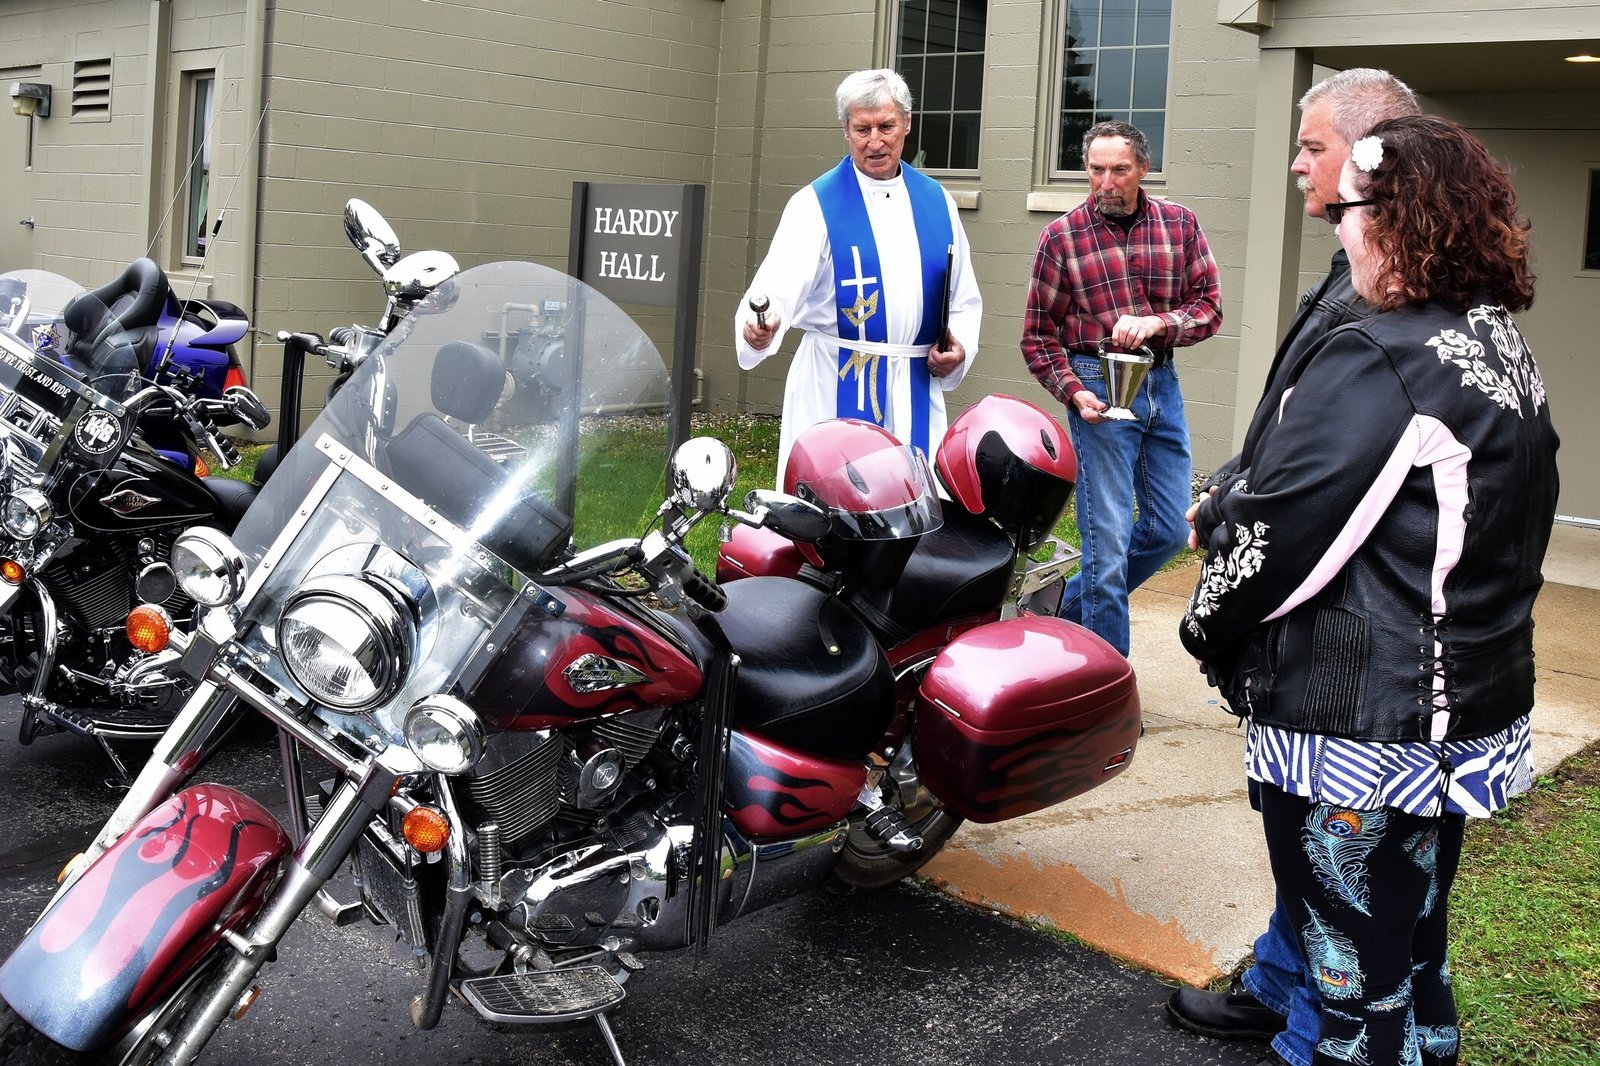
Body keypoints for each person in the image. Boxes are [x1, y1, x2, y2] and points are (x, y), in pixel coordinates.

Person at [1179, 115, 1558, 1066]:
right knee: (1414, 955)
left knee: (1355, 989)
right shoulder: (1494, 339)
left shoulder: (1384, 351)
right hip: (1457, 705)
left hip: (1364, 722)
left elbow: (1277, 542)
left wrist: (1202, 622)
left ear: (1399, 219)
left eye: (1347, 211)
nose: (1339, 233)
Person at [1165, 68, 1420, 1066]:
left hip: (1350, 619)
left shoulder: (1404, 280)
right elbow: (1295, 415)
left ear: (1367, 156)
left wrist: (1242, 523)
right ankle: (1280, 982)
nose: (1294, 163)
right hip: (1298, 604)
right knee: (1285, 808)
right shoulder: (1346, 259)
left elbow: (1341, 470)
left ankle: (1316, 1027)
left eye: (1311, 147)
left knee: (1330, 838)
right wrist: (1229, 483)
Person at [1020, 121, 1221, 657]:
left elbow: (1209, 309)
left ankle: (1057, 616)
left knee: (1170, 532)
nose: (1106, 182)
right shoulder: (1061, 238)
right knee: (1106, 545)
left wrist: (1160, 323)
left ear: (1143, 170)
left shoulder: (1179, 226)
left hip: (1161, 382)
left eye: (1119, 170)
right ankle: (1106, 684)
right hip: (1096, 392)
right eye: (1096, 169)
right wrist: (1071, 392)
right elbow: (1038, 337)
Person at [734, 68, 981, 482]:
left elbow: (964, 298)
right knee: (834, 507)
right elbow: (774, 288)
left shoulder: (937, 201)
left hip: (912, 386)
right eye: (861, 128)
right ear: (846, 131)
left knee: (913, 507)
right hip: (835, 382)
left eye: (886, 126)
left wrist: (958, 348)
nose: (875, 141)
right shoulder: (815, 203)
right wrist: (759, 328)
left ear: (907, 123)